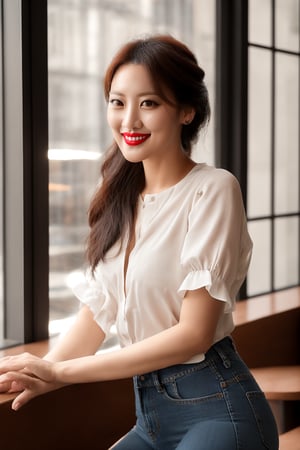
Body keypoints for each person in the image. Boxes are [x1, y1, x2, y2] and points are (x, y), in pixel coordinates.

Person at [0, 34, 278, 450]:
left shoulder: (213, 189)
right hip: (151, 423)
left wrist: (61, 375)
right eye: (117, 102)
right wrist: (37, 372)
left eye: (148, 103)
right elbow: (95, 318)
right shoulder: (119, 201)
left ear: (186, 110)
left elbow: (194, 334)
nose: (129, 121)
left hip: (220, 412)